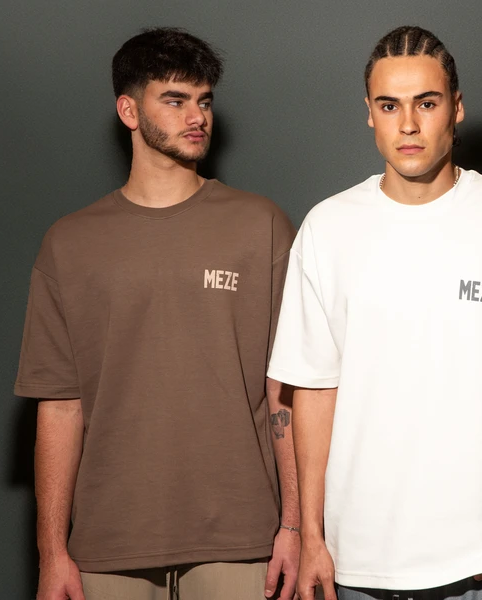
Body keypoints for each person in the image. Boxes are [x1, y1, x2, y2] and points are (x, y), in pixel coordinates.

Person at [267, 25, 482, 600]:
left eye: (426, 103)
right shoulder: (328, 229)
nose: (408, 124)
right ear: (369, 114)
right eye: (389, 105)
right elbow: (313, 392)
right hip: (356, 567)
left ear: (457, 107)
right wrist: (312, 538)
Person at [15, 27, 299, 600]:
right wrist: (51, 553)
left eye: (204, 101)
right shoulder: (69, 243)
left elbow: (286, 391)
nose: (197, 117)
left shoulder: (260, 225)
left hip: (241, 537)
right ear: (128, 110)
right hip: (108, 543)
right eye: (175, 100)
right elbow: (60, 405)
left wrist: (295, 527)